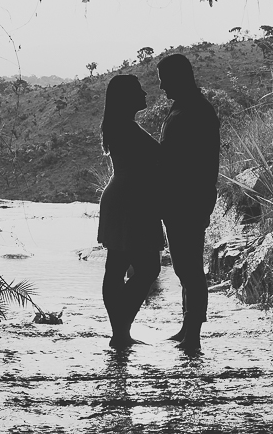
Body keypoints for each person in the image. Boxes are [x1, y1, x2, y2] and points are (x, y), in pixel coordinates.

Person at [156, 53, 220, 353]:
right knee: (185, 266)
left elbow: (200, 162)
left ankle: (193, 333)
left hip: (188, 200)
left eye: (164, 81)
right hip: (180, 199)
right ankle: (188, 327)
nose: (161, 87)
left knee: (189, 268)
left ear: (178, 77)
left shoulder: (196, 111)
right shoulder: (185, 107)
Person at [97, 74, 165, 350]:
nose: (145, 93)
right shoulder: (124, 127)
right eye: (139, 90)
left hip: (127, 198)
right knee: (146, 267)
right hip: (131, 201)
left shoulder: (120, 125)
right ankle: (121, 328)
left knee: (118, 265)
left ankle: (120, 331)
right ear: (127, 97)